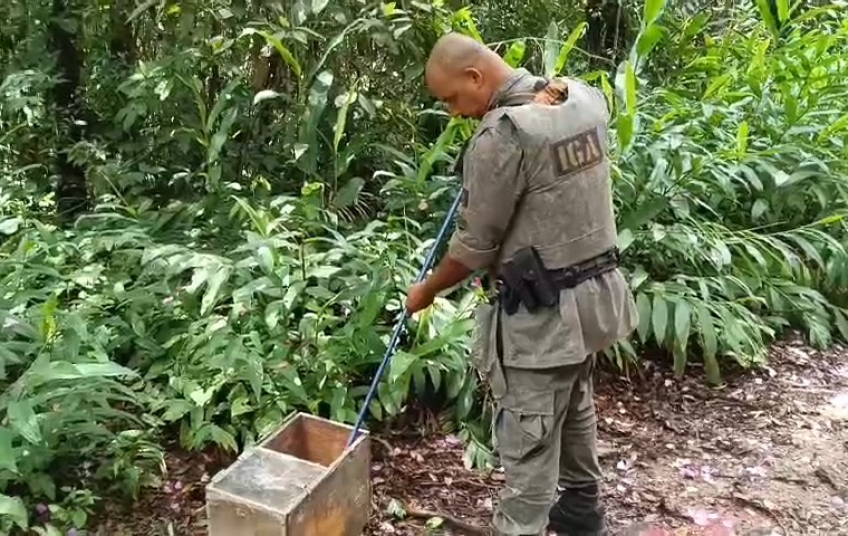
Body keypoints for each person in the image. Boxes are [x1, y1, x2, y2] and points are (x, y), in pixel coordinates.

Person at [405, 32, 638, 536]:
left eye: (452, 98)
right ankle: (580, 512)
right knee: (573, 404)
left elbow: (474, 249)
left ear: (475, 77)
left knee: (529, 435)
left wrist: (426, 291)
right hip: (594, 302)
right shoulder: (579, 98)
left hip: (543, 320)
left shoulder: (503, 137)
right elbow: (550, 123)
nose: (453, 112)